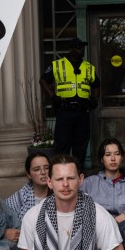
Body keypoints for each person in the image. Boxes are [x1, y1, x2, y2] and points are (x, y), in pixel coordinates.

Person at [40, 37, 101, 169]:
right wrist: (52, 96)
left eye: (82, 47)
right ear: (70, 49)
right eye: (78, 47)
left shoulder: (88, 67)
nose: (81, 50)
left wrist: (94, 100)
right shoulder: (57, 64)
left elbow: (96, 85)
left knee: (81, 147)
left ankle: (78, 175)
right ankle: (61, 173)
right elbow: (43, 80)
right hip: (64, 111)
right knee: (62, 146)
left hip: (82, 113)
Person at [82, 138, 125, 223]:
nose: (113, 158)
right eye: (107, 155)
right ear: (101, 159)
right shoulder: (89, 183)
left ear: (122, 157)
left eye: (117, 154)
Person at [6, 152, 52, 223]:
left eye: (46, 168)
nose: (43, 172)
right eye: (37, 169)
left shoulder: (58, 193)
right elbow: (2, 218)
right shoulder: (21, 197)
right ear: (29, 175)